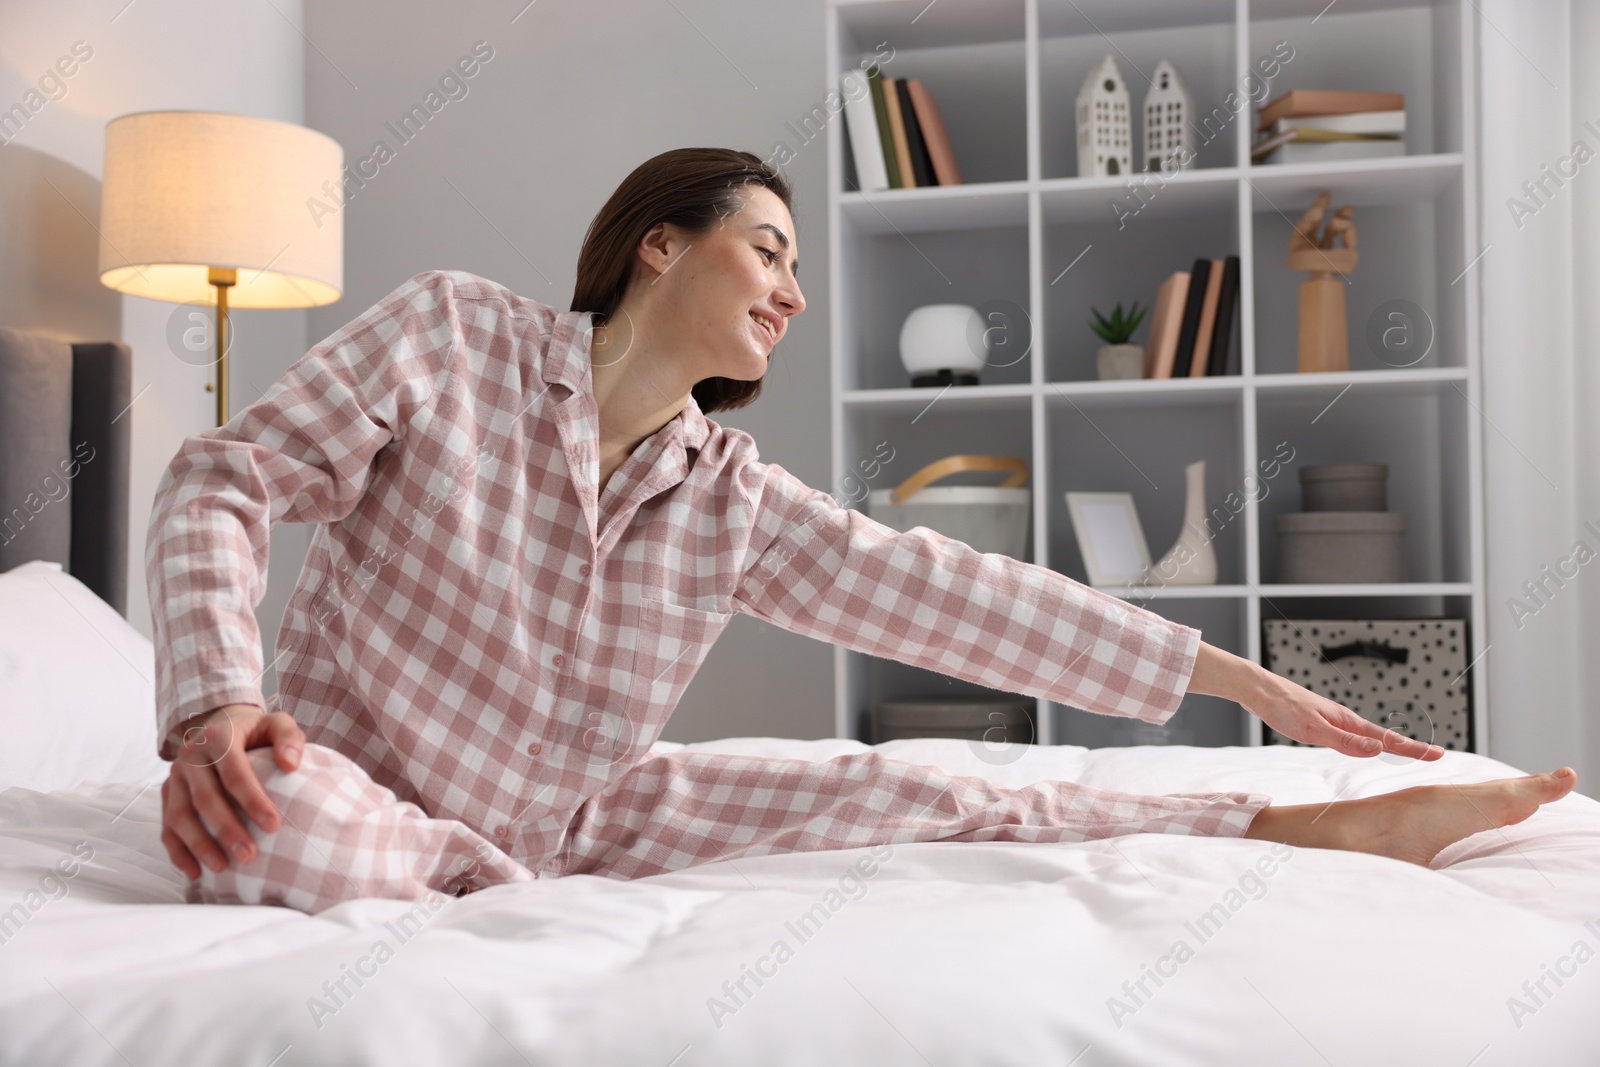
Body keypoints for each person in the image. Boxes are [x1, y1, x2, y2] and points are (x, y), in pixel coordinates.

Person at [149, 147, 1576, 915]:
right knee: (269, 842)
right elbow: (222, 479)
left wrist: (1242, 686)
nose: (792, 290)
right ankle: (464, 881)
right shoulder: (451, 334)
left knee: (930, 791)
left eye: (794, 267)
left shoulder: (729, 494)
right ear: (661, 240)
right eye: (768, 247)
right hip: (346, 786)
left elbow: (958, 594)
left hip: (578, 821)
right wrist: (216, 703)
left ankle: (1303, 827)